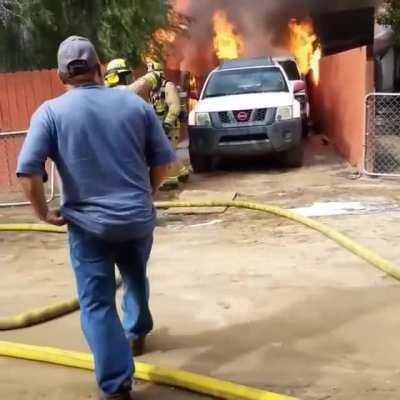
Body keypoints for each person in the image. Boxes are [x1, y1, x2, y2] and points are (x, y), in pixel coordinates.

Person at [16, 36, 175, 400]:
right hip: (137, 220)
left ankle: (118, 384)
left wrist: (43, 213)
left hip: (88, 227)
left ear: (60, 76)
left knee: (97, 302)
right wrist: (145, 195)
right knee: (135, 275)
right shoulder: (135, 105)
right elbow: (163, 161)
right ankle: (136, 332)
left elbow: (28, 173)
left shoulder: (50, 113)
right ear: (99, 67)